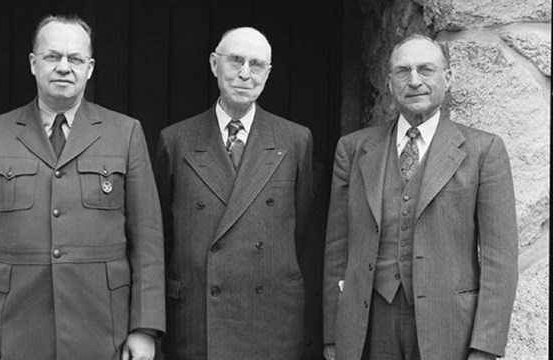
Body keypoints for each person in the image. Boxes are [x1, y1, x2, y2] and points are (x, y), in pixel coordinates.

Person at [0, 14, 164, 360]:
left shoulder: (125, 132)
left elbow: (147, 242)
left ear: (90, 68)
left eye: (75, 58)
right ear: (34, 64)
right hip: (13, 330)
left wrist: (144, 328)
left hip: (103, 330)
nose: (64, 67)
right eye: (52, 57)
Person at [323, 34, 518, 360]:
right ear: (389, 82)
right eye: (403, 71)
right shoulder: (354, 149)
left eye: (426, 69)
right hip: (369, 326)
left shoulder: (484, 150)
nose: (414, 81)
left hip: (449, 328)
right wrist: (333, 333)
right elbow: (336, 248)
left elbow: (500, 260)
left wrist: (485, 346)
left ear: (448, 77)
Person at [155, 27, 313, 360]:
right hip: (198, 318)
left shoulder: (295, 141)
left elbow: (301, 232)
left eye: (256, 65)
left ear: (268, 73)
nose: (245, 73)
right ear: (214, 64)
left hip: (269, 317)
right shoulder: (176, 140)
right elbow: (163, 235)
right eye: (235, 60)